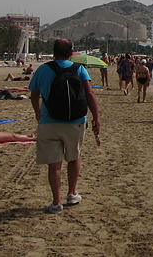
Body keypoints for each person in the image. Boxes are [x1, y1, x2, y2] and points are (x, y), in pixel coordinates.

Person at [28, 39, 101, 214]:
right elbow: (89, 93)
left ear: (54, 52)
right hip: (75, 122)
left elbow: (34, 95)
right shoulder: (79, 69)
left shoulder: (43, 69)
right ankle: (72, 193)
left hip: (49, 121)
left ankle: (56, 202)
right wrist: (96, 118)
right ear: (71, 52)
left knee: (54, 164)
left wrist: (38, 112)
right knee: (74, 157)